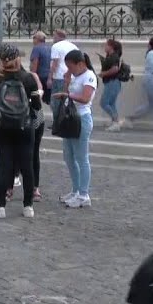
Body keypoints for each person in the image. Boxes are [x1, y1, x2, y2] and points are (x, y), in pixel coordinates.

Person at [0, 43, 42, 219]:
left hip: (2, 128)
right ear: (17, 59)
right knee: (27, 165)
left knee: (4, 165)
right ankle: (28, 206)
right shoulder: (27, 78)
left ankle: (0, 207)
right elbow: (37, 106)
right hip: (25, 126)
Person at [52, 49, 97, 208]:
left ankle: (84, 194)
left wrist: (67, 96)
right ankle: (76, 190)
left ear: (80, 63)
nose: (69, 70)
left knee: (81, 157)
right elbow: (67, 92)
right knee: (69, 156)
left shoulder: (89, 76)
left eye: (70, 67)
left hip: (81, 119)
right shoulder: (75, 76)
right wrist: (66, 81)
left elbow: (85, 98)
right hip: (70, 118)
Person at [99, 39, 125, 132]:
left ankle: (116, 121)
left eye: (106, 45)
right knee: (111, 104)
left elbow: (115, 69)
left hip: (112, 82)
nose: (104, 47)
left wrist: (104, 74)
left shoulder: (114, 57)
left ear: (111, 47)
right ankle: (115, 123)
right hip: (111, 82)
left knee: (104, 103)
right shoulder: (110, 56)